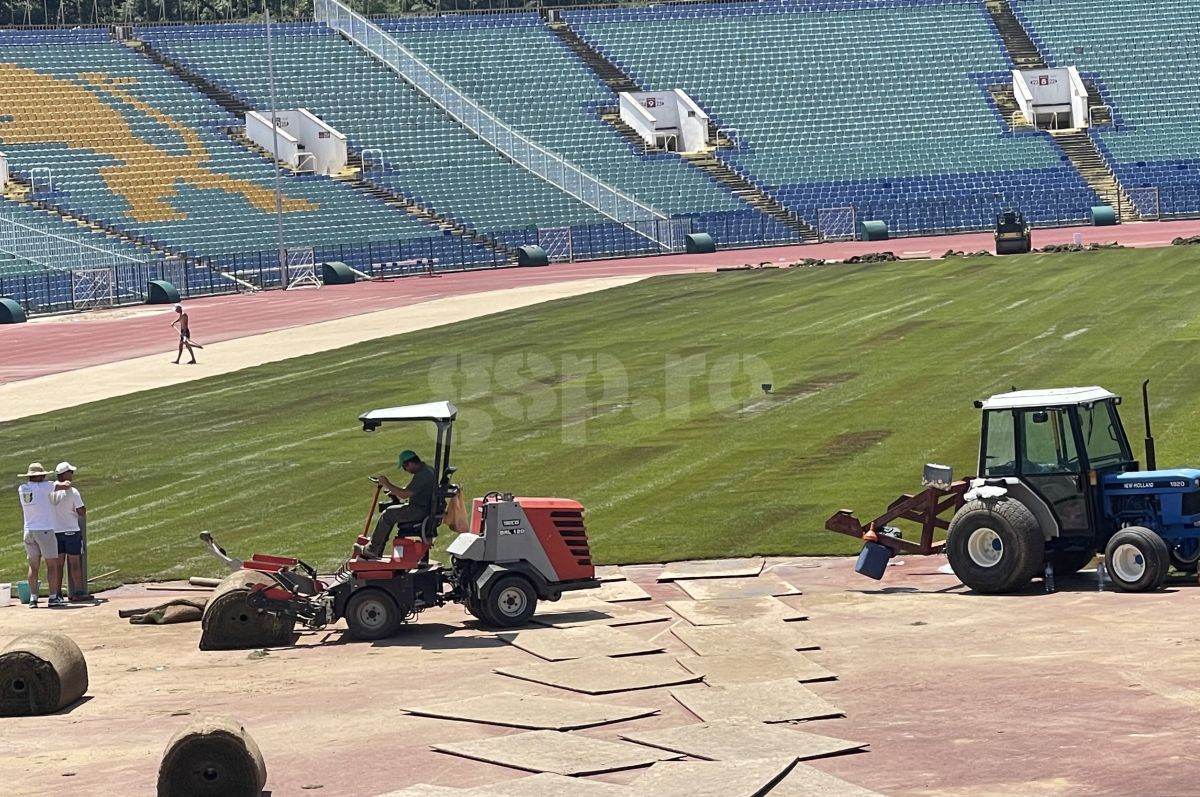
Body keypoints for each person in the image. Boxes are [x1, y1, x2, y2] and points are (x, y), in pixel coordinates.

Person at [361, 450, 437, 560]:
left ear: (409, 463)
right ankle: (375, 549)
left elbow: (405, 494)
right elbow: (412, 489)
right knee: (391, 511)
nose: (406, 470)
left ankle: (373, 550)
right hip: (424, 507)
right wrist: (394, 491)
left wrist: (386, 483)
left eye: (405, 468)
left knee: (388, 514)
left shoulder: (422, 475)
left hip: (420, 510)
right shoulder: (427, 470)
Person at [17, 463, 63, 608]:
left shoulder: (22, 488)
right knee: (52, 565)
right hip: (44, 530)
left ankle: (33, 598)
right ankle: (53, 597)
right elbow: (65, 485)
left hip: (28, 531)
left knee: (33, 566)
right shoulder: (45, 487)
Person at [50, 462, 87, 602]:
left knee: (58, 565)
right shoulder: (72, 491)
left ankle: (57, 593)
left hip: (55, 532)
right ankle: (77, 592)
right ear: (64, 474)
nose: (72, 474)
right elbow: (81, 511)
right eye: (70, 472)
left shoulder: (49, 490)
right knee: (74, 563)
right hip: (71, 531)